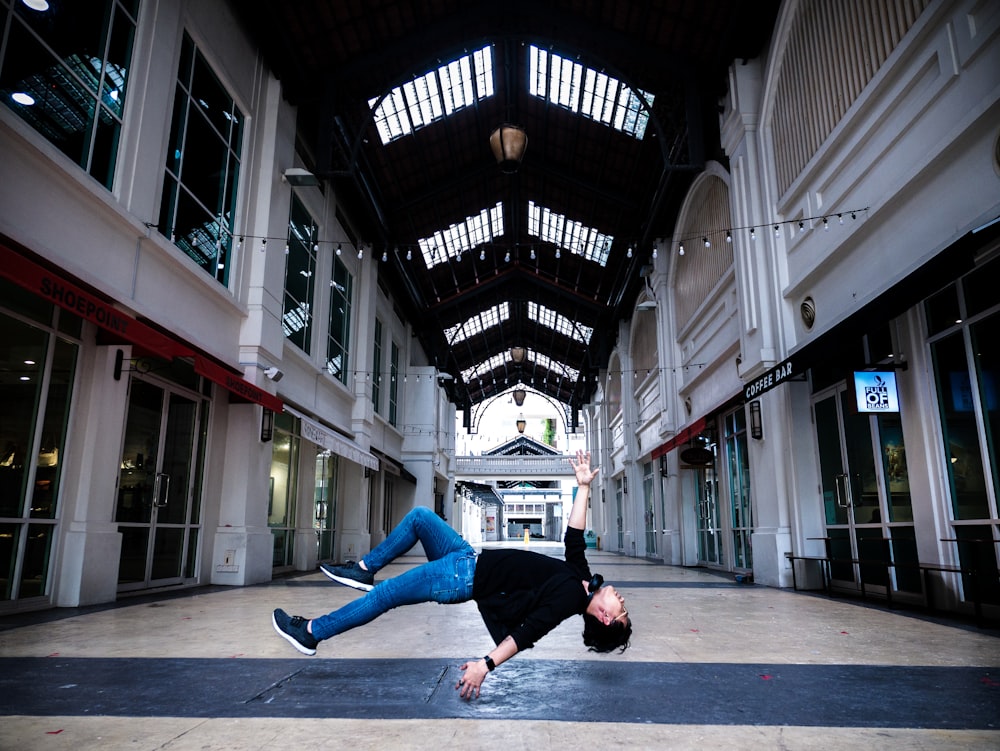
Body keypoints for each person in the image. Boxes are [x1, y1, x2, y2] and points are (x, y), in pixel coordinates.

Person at [271, 449, 631, 700]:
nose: (623, 600)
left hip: (462, 577)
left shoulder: (569, 600)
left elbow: (526, 633)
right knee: (421, 517)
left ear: (604, 616)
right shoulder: (583, 580)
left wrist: (485, 665)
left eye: (622, 610)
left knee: (384, 597)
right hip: (466, 557)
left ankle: (311, 632)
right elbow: (573, 539)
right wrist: (583, 487)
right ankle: (364, 569)